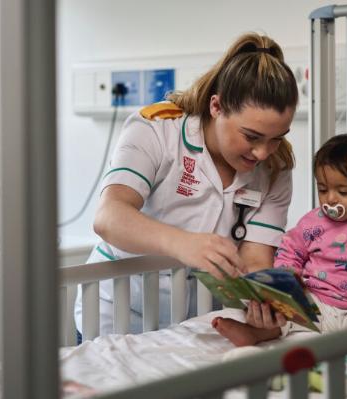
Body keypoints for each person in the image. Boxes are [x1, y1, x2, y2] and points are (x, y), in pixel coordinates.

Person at [74, 32, 299, 336]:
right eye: (252, 136)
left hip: (195, 324)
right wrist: (183, 244)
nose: (262, 152)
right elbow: (109, 217)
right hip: (118, 314)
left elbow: (255, 258)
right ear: (216, 107)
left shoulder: (276, 167)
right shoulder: (156, 131)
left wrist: (265, 298)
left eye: (277, 138)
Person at [213, 134, 347, 357]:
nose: (330, 199)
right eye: (323, 189)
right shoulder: (313, 222)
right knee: (284, 314)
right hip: (317, 304)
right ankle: (254, 333)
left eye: (343, 192)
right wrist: (287, 278)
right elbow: (290, 251)